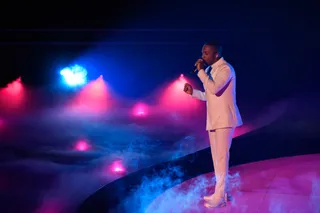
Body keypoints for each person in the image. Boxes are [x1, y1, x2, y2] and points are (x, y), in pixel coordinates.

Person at [183, 41, 243, 208]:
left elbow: (215, 88)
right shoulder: (210, 70)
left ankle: (220, 196)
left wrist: (200, 71)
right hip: (214, 120)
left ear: (216, 54)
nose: (203, 56)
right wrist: (193, 93)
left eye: (206, 53)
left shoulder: (226, 69)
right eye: (202, 52)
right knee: (216, 159)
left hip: (225, 119)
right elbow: (209, 95)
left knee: (222, 158)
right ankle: (221, 193)